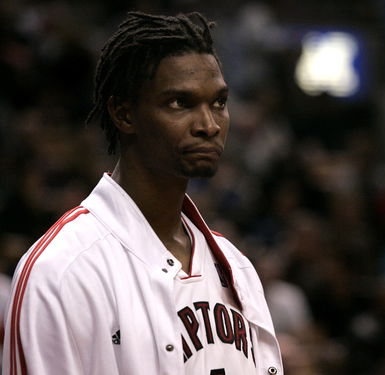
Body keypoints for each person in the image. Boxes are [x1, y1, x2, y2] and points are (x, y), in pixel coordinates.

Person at [2, 11, 283, 375]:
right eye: (180, 103)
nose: (209, 125)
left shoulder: (239, 269)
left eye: (218, 102)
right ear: (123, 114)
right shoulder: (62, 270)